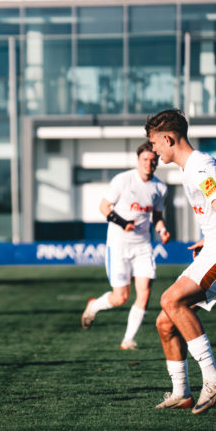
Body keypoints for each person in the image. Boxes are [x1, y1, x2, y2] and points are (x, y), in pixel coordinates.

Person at [145, 109, 216, 414]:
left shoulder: (199, 166)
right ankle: (181, 391)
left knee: (171, 299)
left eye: (154, 143)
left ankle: (213, 378)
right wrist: (212, 238)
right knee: (165, 321)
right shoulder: (191, 167)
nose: (153, 150)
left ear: (167, 138)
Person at [81, 142, 170, 350]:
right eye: (145, 159)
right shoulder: (122, 180)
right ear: (138, 160)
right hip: (119, 245)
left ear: (157, 161)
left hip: (143, 246)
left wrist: (162, 229)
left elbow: (157, 216)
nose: (149, 163)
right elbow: (104, 207)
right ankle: (93, 306)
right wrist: (124, 224)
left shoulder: (160, 188)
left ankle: (128, 339)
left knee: (145, 293)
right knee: (121, 297)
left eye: (153, 159)